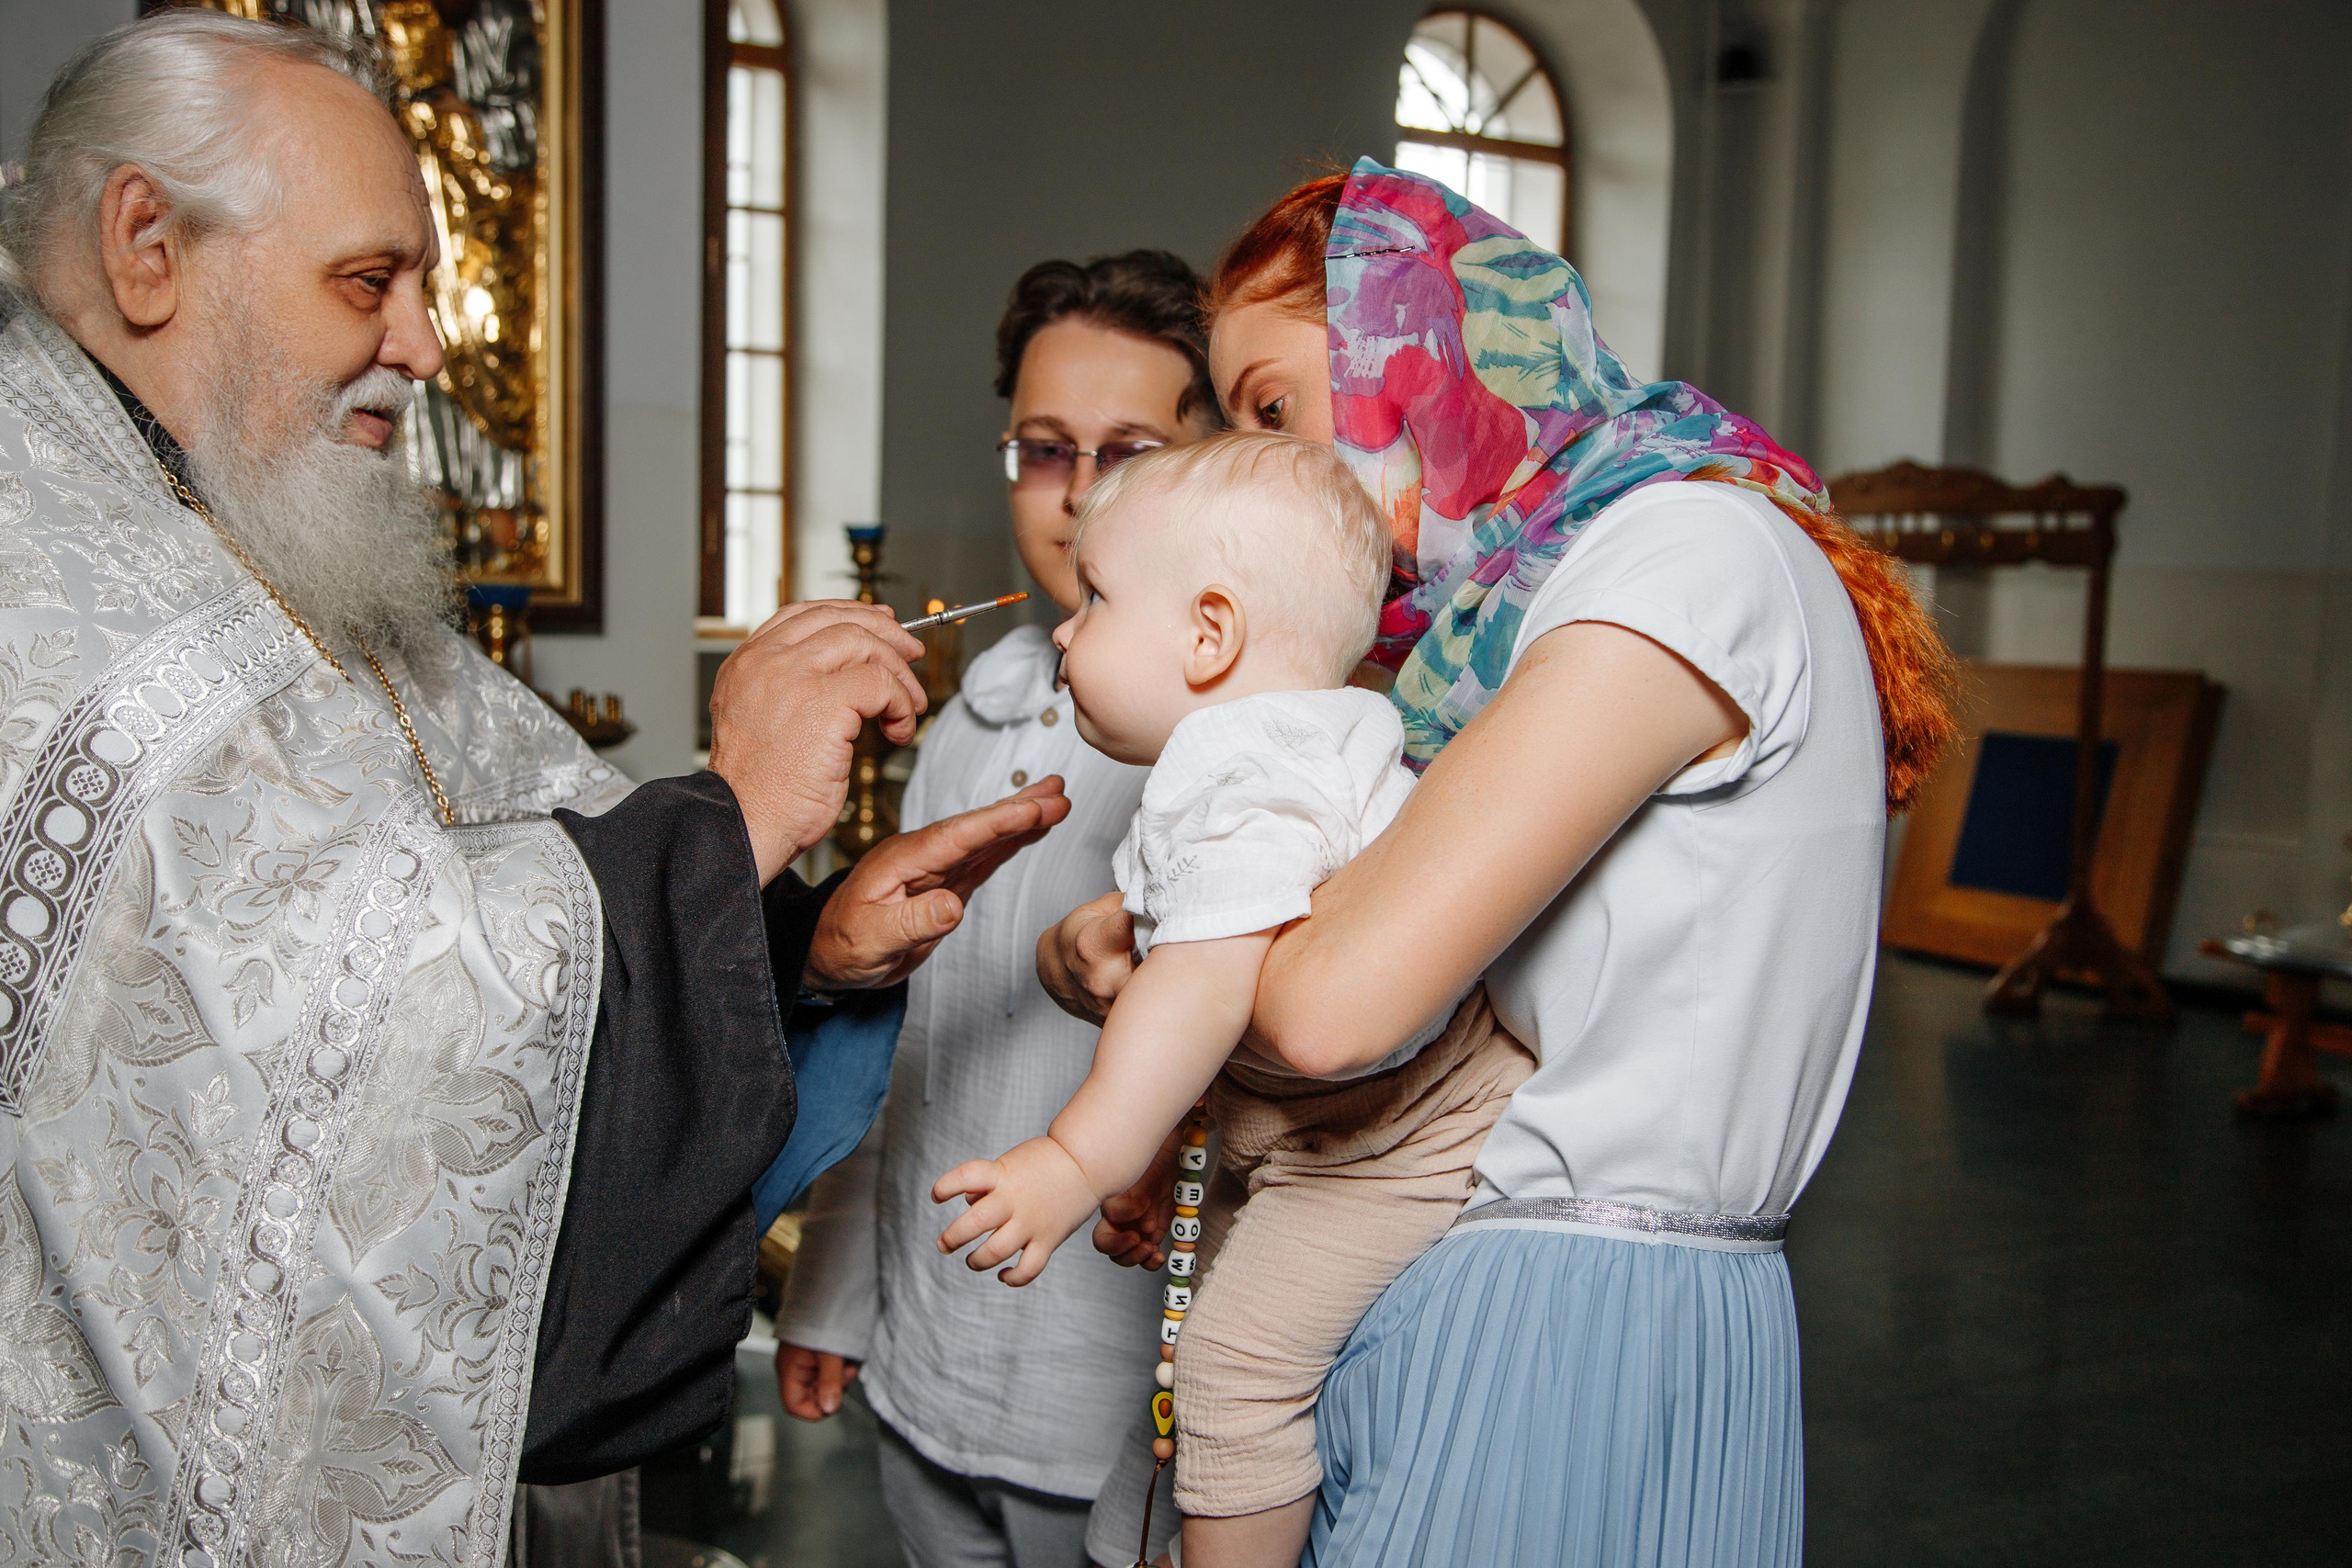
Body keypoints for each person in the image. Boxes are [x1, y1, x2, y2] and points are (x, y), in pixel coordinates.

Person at [0, 14, 1063, 1565]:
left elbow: (499, 857)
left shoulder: (216, 512)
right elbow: (320, 1045)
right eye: (369, 283)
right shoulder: (52, 597)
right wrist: (741, 808)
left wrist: (794, 939)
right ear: (147, 244)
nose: (427, 347)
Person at [1049, 161, 1959, 1567]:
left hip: (1574, 1301)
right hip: (1482, 1260)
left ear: (1415, 350)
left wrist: (1183, 957)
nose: (1274, 470)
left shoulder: (1683, 551)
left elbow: (1327, 1005)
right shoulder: (1494, 620)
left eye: (1278, 412)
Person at [934, 432, 1534, 1568]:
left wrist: (1077, 1156)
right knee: (1197, 1334)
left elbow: (1206, 989)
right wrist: (1178, 1148)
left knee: (1234, 1365)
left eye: (1095, 598)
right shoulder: (1321, 731)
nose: (1064, 628)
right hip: (1325, 1124)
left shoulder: (1235, 773)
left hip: (1388, 1148)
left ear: (1209, 634)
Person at [775, 252, 1213, 1567]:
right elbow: (904, 1036)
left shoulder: (1224, 732)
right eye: (1044, 448)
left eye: (1129, 448)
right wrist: (837, 1290)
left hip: (1104, 1397)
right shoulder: (976, 710)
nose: (1079, 498)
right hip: (930, 1360)